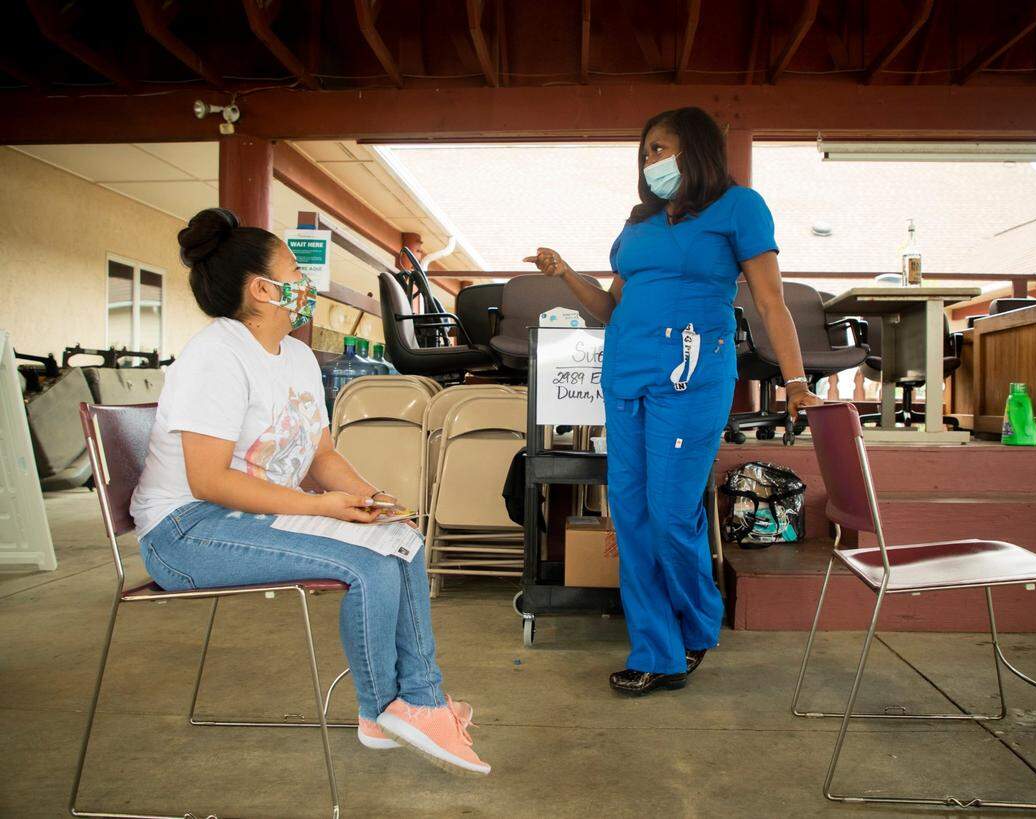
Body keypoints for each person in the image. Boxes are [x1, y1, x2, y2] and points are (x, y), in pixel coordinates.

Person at [130, 207, 490, 774]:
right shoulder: (215, 355)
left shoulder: (296, 357)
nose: (305, 284)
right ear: (262, 289)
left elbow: (321, 455)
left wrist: (372, 500)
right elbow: (208, 480)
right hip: (185, 531)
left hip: (248, 519)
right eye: (295, 272)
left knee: (401, 539)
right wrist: (320, 507)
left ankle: (418, 702)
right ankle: (387, 711)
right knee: (368, 564)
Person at [525, 107, 823, 696]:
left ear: (696, 148)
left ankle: (695, 622)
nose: (650, 161)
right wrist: (566, 273)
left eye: (660, 149)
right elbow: (612, 307)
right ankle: (657, 650)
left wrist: (795, 381)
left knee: (669, 512)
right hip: (626, 377)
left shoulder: (739, 207)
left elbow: (770, 302)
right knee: (631, 515)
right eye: (645, 152)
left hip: (691, 377)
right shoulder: (638, 222)